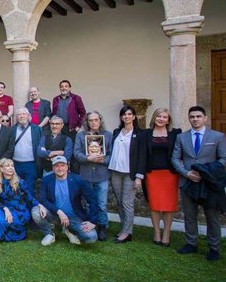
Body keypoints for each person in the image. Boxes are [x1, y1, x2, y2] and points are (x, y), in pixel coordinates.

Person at [172, 106, 226, 261]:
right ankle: (191, 243)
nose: (195, 119)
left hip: (209, 183)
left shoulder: (218, 136)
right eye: (192, 116)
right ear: (189, 118)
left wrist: (207, 172)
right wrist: (187, 173)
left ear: (205, 118)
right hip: (188, 182)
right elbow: (175, 158)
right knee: (189, 216)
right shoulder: (182, 138)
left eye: (198, 116)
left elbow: (224, 159)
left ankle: (214, 247)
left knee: (212, 216)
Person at [33, 156, 98, 246]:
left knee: (91, 237)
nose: (60, 168)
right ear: (53, 168)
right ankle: (49, 234)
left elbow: (92, 199)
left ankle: (69, 231)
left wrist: (92, 220)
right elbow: (42, 199)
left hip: (73, 217)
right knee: (36, 211)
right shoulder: (46, 180)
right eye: (57, 166)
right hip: (54, 214)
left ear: (67, 167)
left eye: (62, 165)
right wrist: (59, 211)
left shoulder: (78, 179)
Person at [139, 108, 181, 246]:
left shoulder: (175, 134)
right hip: (152, 174)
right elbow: (142, 155)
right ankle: (157, 232)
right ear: (154, 118)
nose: (161, 119)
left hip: (170, 174)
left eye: (164, 117)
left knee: (169, 205)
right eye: (158, 116)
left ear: (168, 120)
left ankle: (167, 233)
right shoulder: (146, 134)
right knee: (155, 205)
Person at [108, 105, 146, 244]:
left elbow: (142, 156)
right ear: (121, 117)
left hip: (130, 173)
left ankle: (127, 232)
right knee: (119, 202)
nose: (127, 116)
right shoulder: (117, 131)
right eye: (124, 114)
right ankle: (124, 228)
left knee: (127, 203)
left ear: (134, 116)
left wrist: (139, 177)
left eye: (129, 114)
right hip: (115, 171)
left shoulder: (140, 134)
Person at [73, 111, 112, 241]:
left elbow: (112, 154)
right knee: (88, 203)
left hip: (102, 175)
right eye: (91, 120)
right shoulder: (81, 136)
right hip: (86, 174)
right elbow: (76, 153)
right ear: (87, 122)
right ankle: (89, 225)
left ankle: (102, 227)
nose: (94, 122)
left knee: (102, 204)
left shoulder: (108, 135)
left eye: (96, 120)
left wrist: (103, 160)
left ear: (100, 120)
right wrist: (87, 158)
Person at [0, 159, 44, 242]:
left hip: (20, 213)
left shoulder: (20, 182)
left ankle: (4, 231)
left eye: (12, 166)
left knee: (5, 222)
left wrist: (39, 205)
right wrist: (5, 209)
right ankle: (1, 228)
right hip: (7, 210)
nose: (11, 168)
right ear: (1, 169)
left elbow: (29, 197)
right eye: (7, 166)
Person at [6, 107, 42, 196]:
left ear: (28, 116)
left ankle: (29, 208)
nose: (21, 116)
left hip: (31, 164)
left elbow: (41, 145)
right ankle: (18, 208)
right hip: (15, 164)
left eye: (24, 114)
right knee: (15, 188)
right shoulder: (11, 130)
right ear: (16, 117)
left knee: (30, 188)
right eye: (19, 114)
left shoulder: (36, 129)